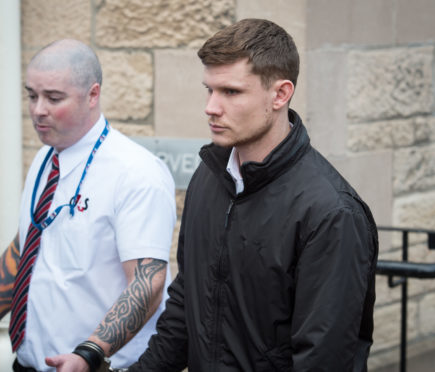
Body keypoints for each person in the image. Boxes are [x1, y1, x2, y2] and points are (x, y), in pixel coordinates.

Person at [130, 18, 379, 371]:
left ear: (280, 94)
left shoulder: (331, 212)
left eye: (230, 92)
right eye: (209, 89)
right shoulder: (210, 175)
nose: (211, 107)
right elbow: (187, 307)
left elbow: (323, 359)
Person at [0, 39, 176, 372]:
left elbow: (147, 284)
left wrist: (89, 353)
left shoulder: (137, 173)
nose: (38, 109)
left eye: (53, 98)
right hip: (28, 364)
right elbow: (25, 250)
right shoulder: (44, 159)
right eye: (31, 96)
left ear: (93, 95)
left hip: (97, 366)